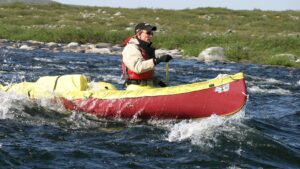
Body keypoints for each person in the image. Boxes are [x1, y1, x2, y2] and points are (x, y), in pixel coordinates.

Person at [122, 22, 173, 88]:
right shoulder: (131, 48)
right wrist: (158, 60)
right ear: (139, 34)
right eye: (148, 33)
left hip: (148, 87)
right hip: (135, 88)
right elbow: (138, 68)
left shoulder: (145, 49)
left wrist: (160, 83)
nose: (151, 36)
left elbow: (148, 73)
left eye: (151, 33)